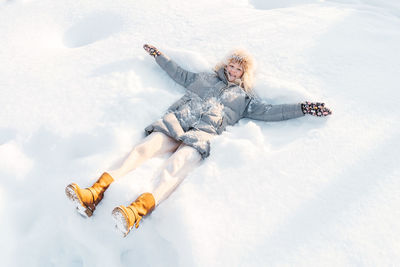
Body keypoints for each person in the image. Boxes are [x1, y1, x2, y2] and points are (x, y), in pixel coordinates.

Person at [65, 44, 332, 237]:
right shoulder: (204, 78)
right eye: (230, 65)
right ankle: (94, 192)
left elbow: (272, 112)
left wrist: (303, 108)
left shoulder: (244, 100)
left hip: (200, 138)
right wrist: (160, 56)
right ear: (225, 64)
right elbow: (179, 73)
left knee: (174, 169)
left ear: (244, 74)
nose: (232, 71)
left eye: (238, 69)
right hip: (176, 123)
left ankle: (136, 212)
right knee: (141, 150)